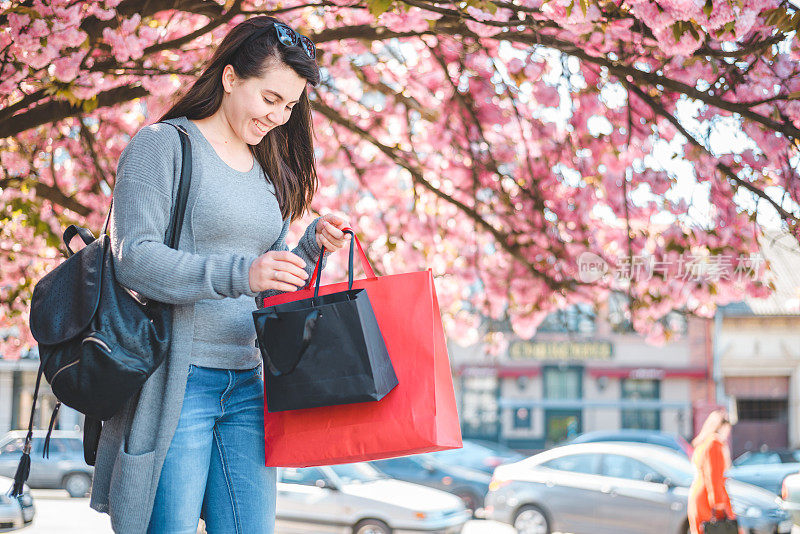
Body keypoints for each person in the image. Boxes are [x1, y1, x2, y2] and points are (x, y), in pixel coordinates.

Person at [88, 15, 350, 534]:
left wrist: (309, 246)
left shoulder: (266, 169)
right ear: (230, 78)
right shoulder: (163, 146)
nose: (278, 116)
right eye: (269, 99)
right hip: (179, 382)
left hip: (248, 383)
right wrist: (241, 273)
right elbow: (134, 259)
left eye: (290, 106)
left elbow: (264, 271)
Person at [688, 410, 737, 534]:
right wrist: (719, 505)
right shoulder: (714, 443)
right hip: (708, 499)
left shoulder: (704, 442)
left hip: (699, 495)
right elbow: (714, 477)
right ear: (722, 427)